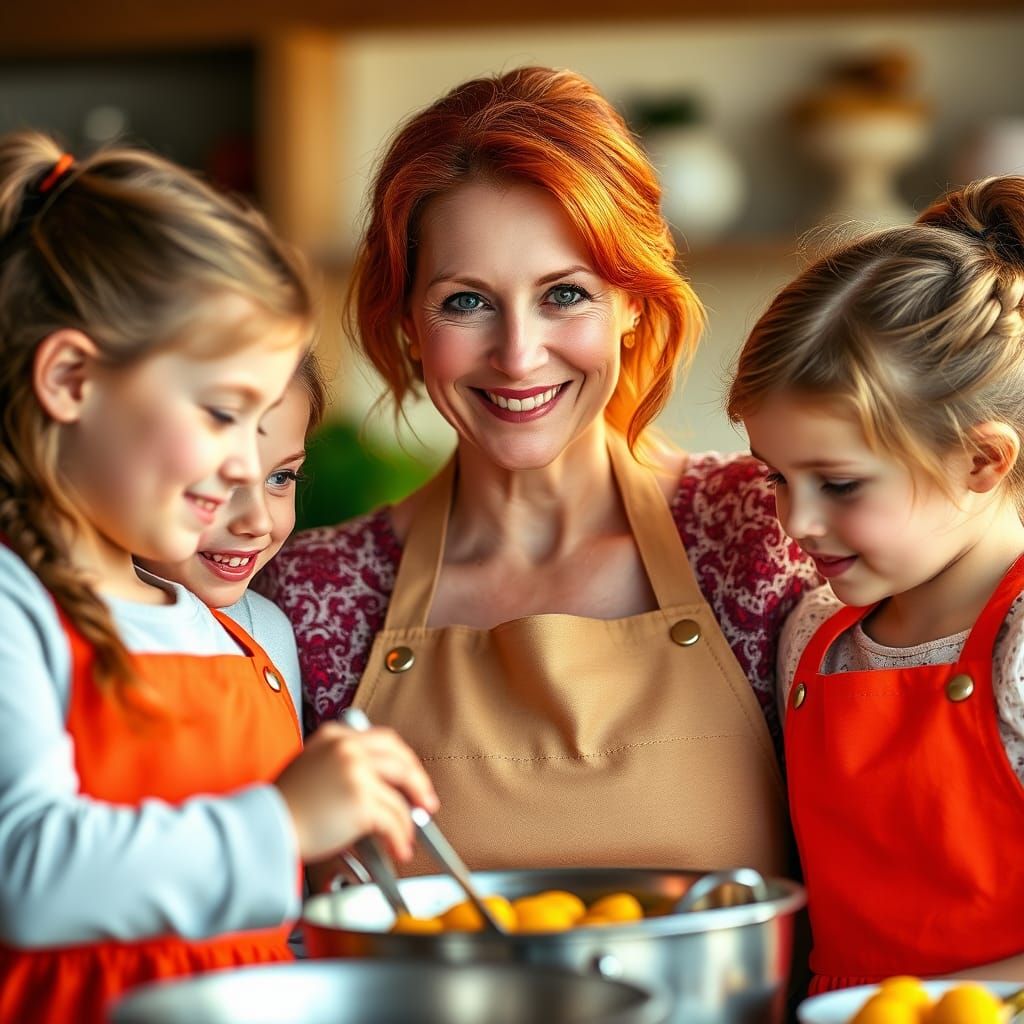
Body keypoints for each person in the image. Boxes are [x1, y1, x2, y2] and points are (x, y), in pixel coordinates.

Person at [259, 66, 818, 878]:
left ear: (634, 302)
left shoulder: (765, 536)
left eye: (564, 294)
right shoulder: (317, 597)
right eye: (464, 302)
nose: (519, 356)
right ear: (408, 322)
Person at [0, 132, 437, 1024]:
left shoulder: (230, 630)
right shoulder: (15, 609)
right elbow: (27, 873)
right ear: (72, 378)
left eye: (268, 443)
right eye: (221, 413)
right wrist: (281, 823)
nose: (246, 469)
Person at [727, 175, 1024, 988]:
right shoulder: (812, 639)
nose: (797, 522)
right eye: (777, 478)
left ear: (980, 461)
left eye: (840, 484)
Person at [139, 350, 328, 726]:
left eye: (281, 478)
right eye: (215, 477)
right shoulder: (33, 618)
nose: (257, 521)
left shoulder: (270, 631)